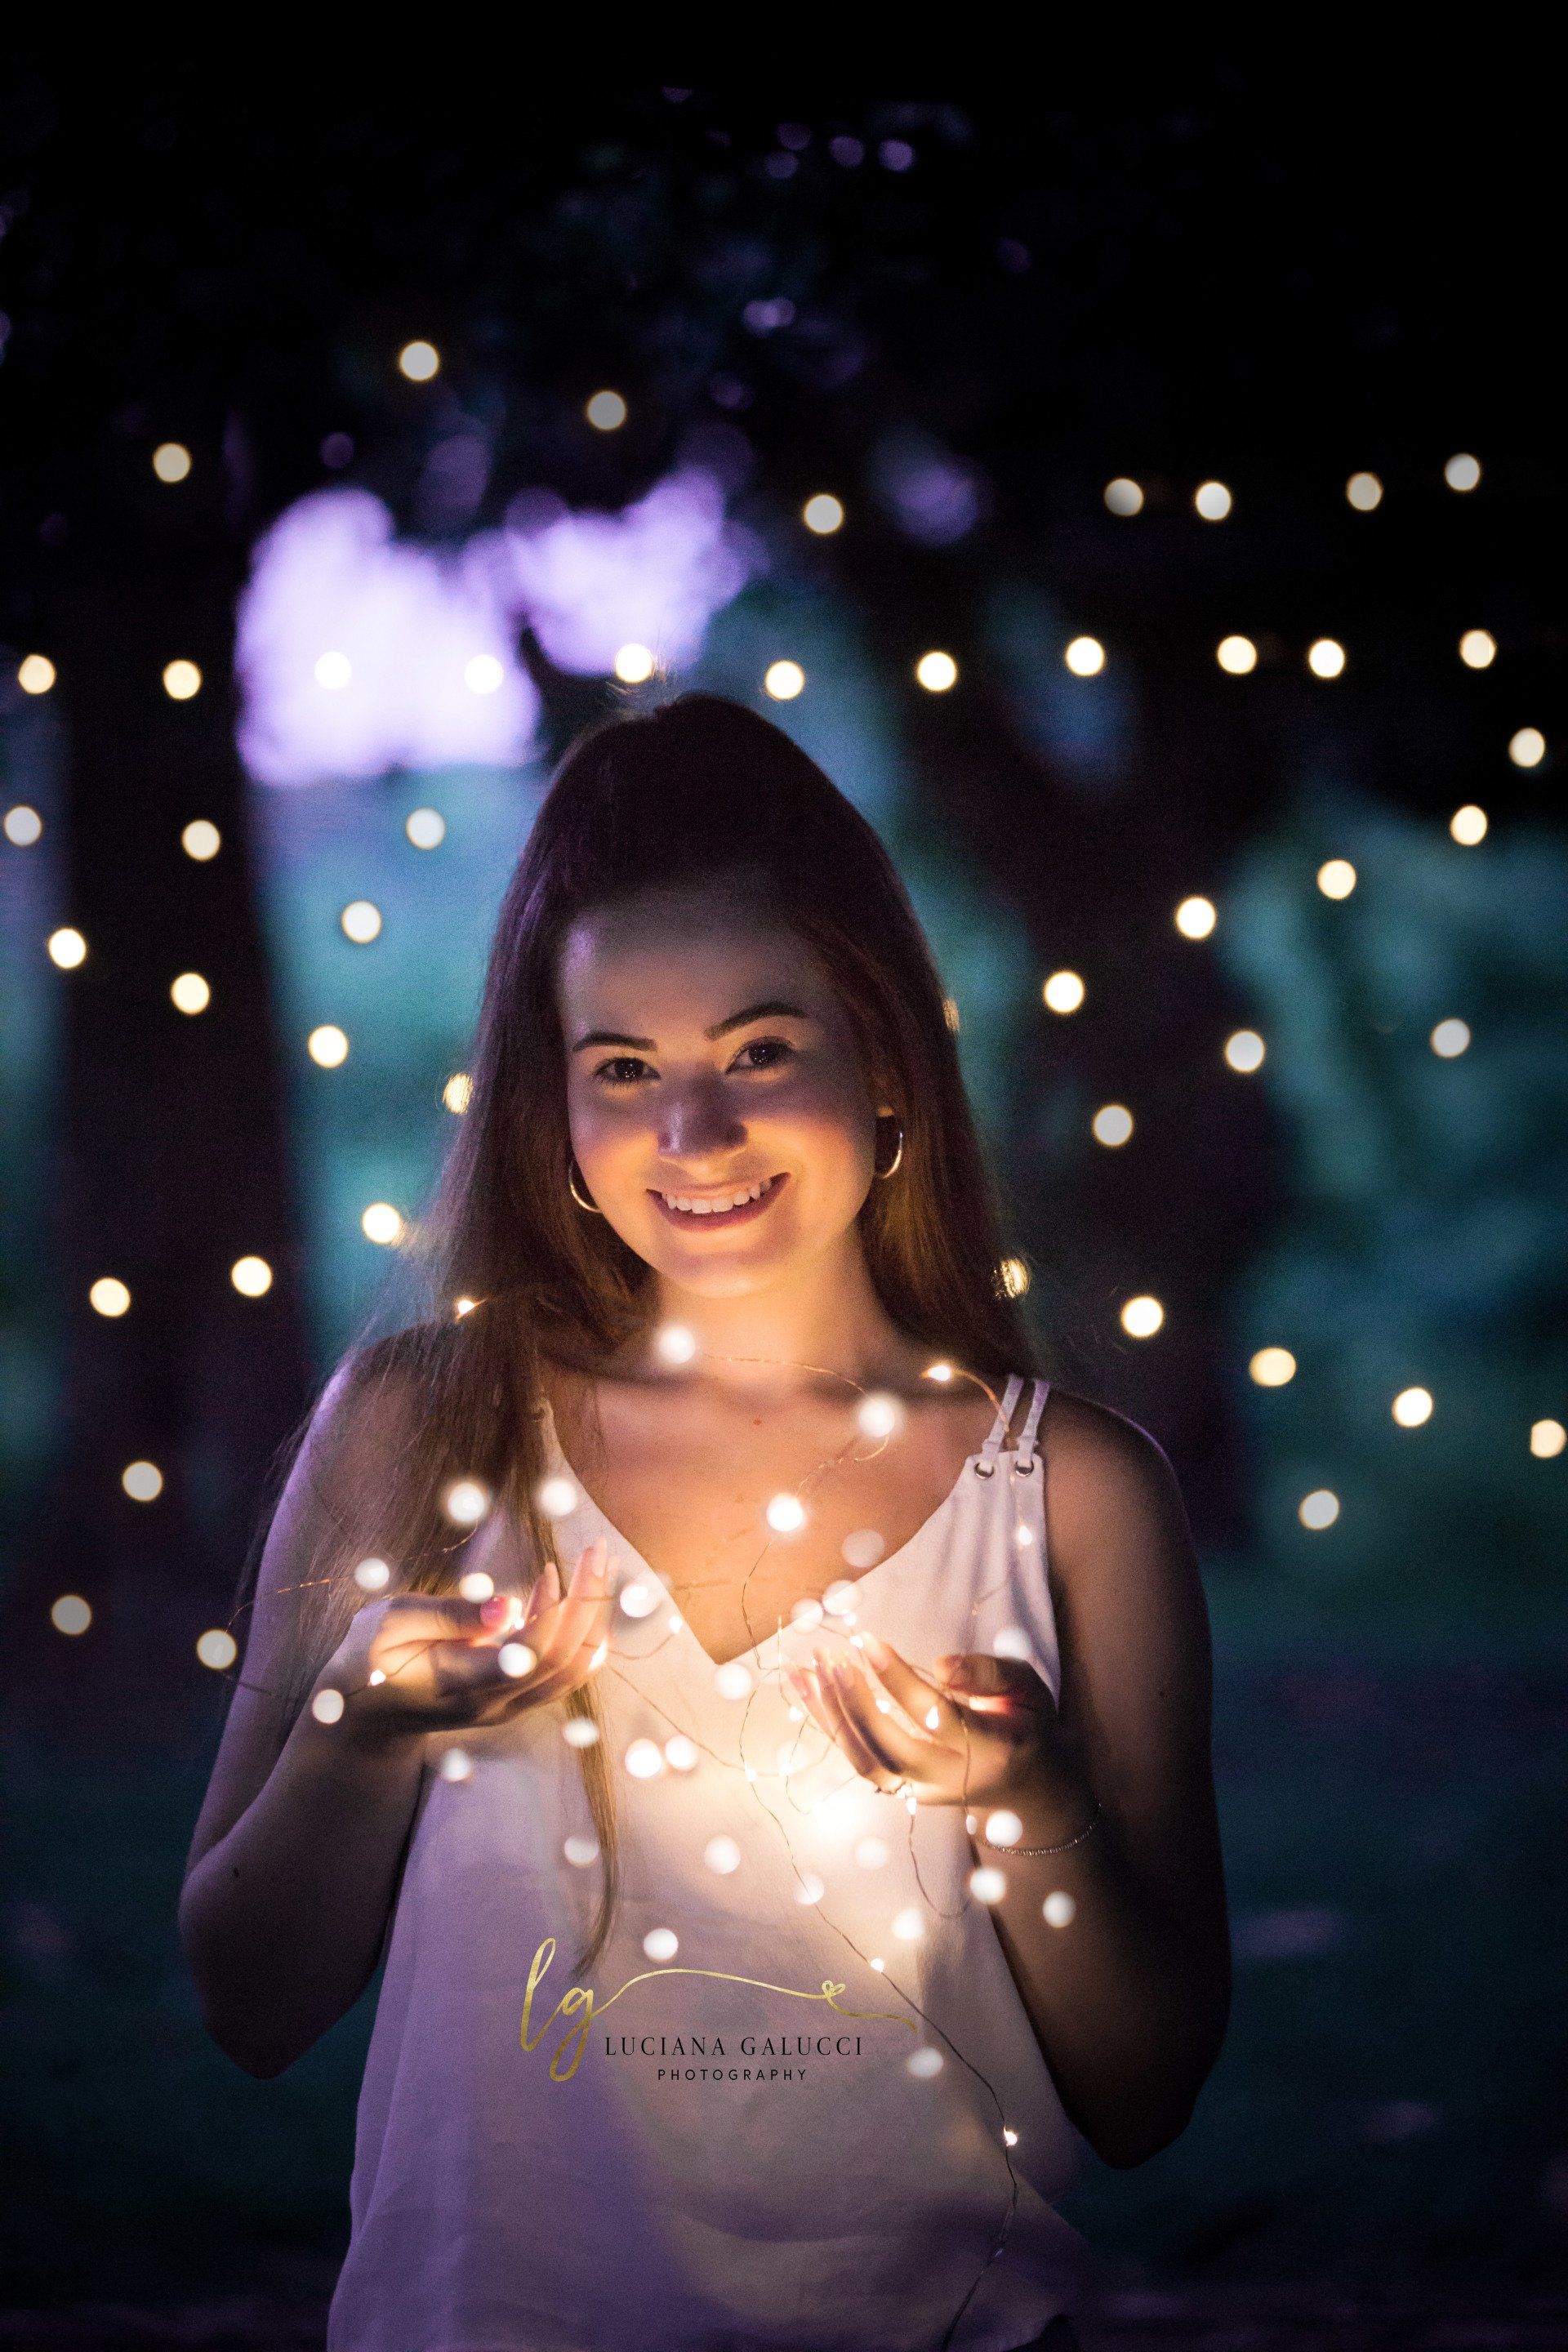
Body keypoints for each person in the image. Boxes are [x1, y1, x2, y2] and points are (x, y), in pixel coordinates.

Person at [179, 694, 1230, 2352]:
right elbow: (246, 2001)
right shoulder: (418, 1431)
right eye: (624, 1069)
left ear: (883, 1056)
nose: (696, 1136)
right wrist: (360, 1734)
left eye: (758, 1050)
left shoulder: (1073, 1494)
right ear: (554, 1111)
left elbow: (1149, 2089)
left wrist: (1028, 1802)